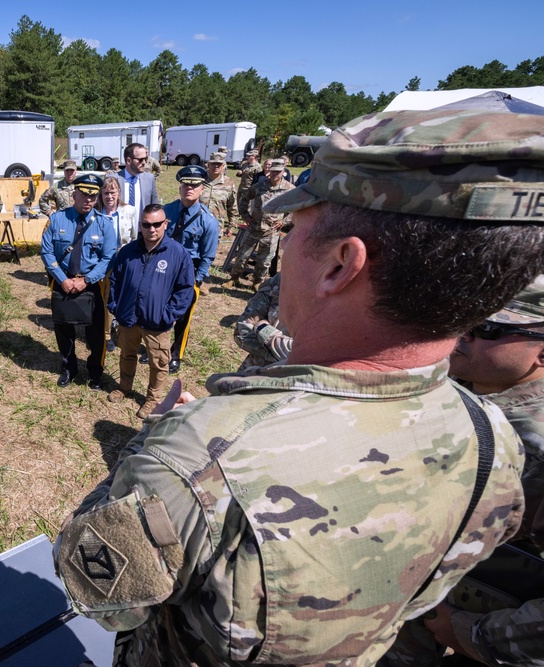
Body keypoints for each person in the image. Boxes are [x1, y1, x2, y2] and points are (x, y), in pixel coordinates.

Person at [53, 108, 544, 667]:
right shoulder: (495, 440)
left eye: (295, 226)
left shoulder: (194, 460)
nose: (283, 244)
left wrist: (154, 448)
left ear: (340, 264)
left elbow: (102, 595)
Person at [390, 277, 544, 666]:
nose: (462, 334)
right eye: (461, 320)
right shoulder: (453, 390)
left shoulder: (535, 443)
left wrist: (470, 633)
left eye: (485, 329)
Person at [106, 204, 194, 419]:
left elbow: (185, 290)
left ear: (165, 224)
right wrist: (116, 307)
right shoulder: (128, 252)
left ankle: (152, 399)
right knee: (127, 355)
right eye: (146, 224)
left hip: (157, 323)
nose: (151, 229)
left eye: (156, 224)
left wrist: (168, 315)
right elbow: (114, 281)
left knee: (159, 362)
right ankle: (124, 386)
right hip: (129, 318)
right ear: (140, 225)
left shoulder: (178, 254)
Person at [40, 174, 117, 389]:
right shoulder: (57, 219)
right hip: (62, 280)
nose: (88, 200)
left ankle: (95, 372)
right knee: (64, 330)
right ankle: (68, 369)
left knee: (96, 333)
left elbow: (109, 257)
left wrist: (87, 279)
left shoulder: (103, 224)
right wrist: (62, 279)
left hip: (92, 284)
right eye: (84, 195)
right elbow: (46, 252)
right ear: (73, 194)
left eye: (93, 196)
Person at [163, 165, 219, 374]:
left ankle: (176, 354)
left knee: (183, 317)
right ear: (179, 186)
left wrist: (196, 280)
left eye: (195, 185)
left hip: (189, 273)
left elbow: (208, 255)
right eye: (186, 183)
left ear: (202, 189)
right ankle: (156, 346)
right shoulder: (167, 211)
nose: (189, 188)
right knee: (159, 309)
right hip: (164, 267)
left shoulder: (208, 220)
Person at [231, 159, 295, 290]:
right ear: (269, 172)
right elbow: (244, 198)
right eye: (273, 171)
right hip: (254, 227)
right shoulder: (259, 186)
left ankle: (257, 282)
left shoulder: (290, 189)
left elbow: (297, 209)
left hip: (271, 232)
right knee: (242, 256)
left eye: (278, 172)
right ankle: (234, 278)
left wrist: (284, 221)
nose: (275, 174)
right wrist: (246, 216)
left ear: (283, 172)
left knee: (264, 261)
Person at [97, 176, 138, 353]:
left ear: (119, 192)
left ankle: (121, 330)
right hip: (102, 263)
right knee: (106, 298)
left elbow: (135, 237)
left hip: (124, 261)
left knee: (123, 297)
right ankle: (105, 335)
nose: (109, 196)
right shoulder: (95, 212)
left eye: (112, 192)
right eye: (105, 192)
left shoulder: (130, 211)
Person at [233, 273, 290, 371]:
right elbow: (243, 330)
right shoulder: (281, 280)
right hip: (251, 375)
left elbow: (312, 357)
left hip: (297, 383)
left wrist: (263, 330)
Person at [199, 152, 240, 238]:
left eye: (219, 164)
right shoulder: (199, 180)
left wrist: (232, 226)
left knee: (211, 251)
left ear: (223, 166)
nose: (216, 166)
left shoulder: (229, 183)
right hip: (196, 226)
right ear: (208, 164)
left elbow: (232, 207)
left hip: (216, 228)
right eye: (213, 163)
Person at [115, 143, 159, 210]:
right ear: (128, 161)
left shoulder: (149, 179)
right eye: (140, 160)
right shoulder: (113, 179)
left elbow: (154, 206)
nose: (144, 162)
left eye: (145, 159)